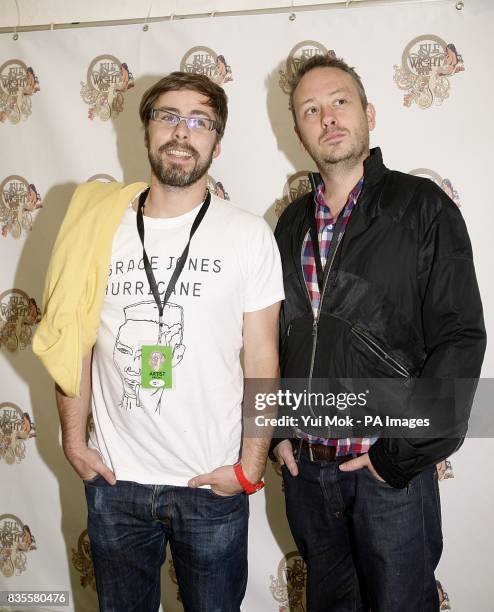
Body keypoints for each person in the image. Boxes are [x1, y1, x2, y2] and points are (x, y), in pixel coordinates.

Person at [33, 71, 284, 612]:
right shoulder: (97, 224)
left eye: (199, 122)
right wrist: (74, 443)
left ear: (217, 142)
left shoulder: (247, 235)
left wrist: (250, 465)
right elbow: (73, 337)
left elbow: (264, 356)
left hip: (210, 485)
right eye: (167, 116)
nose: (181, 132)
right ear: (146, 131)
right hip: (116, 484)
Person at [271, 54, 485, 611]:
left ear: (368, 112)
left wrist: (398, 456)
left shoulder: (422, 208)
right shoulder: (289, 222)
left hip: (387, 474)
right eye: (311, 110)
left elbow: (460, 338)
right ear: (299, 132)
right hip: (309, 478)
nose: (328, 118)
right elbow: (271, 336)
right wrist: (276, 433)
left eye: (340, 101)